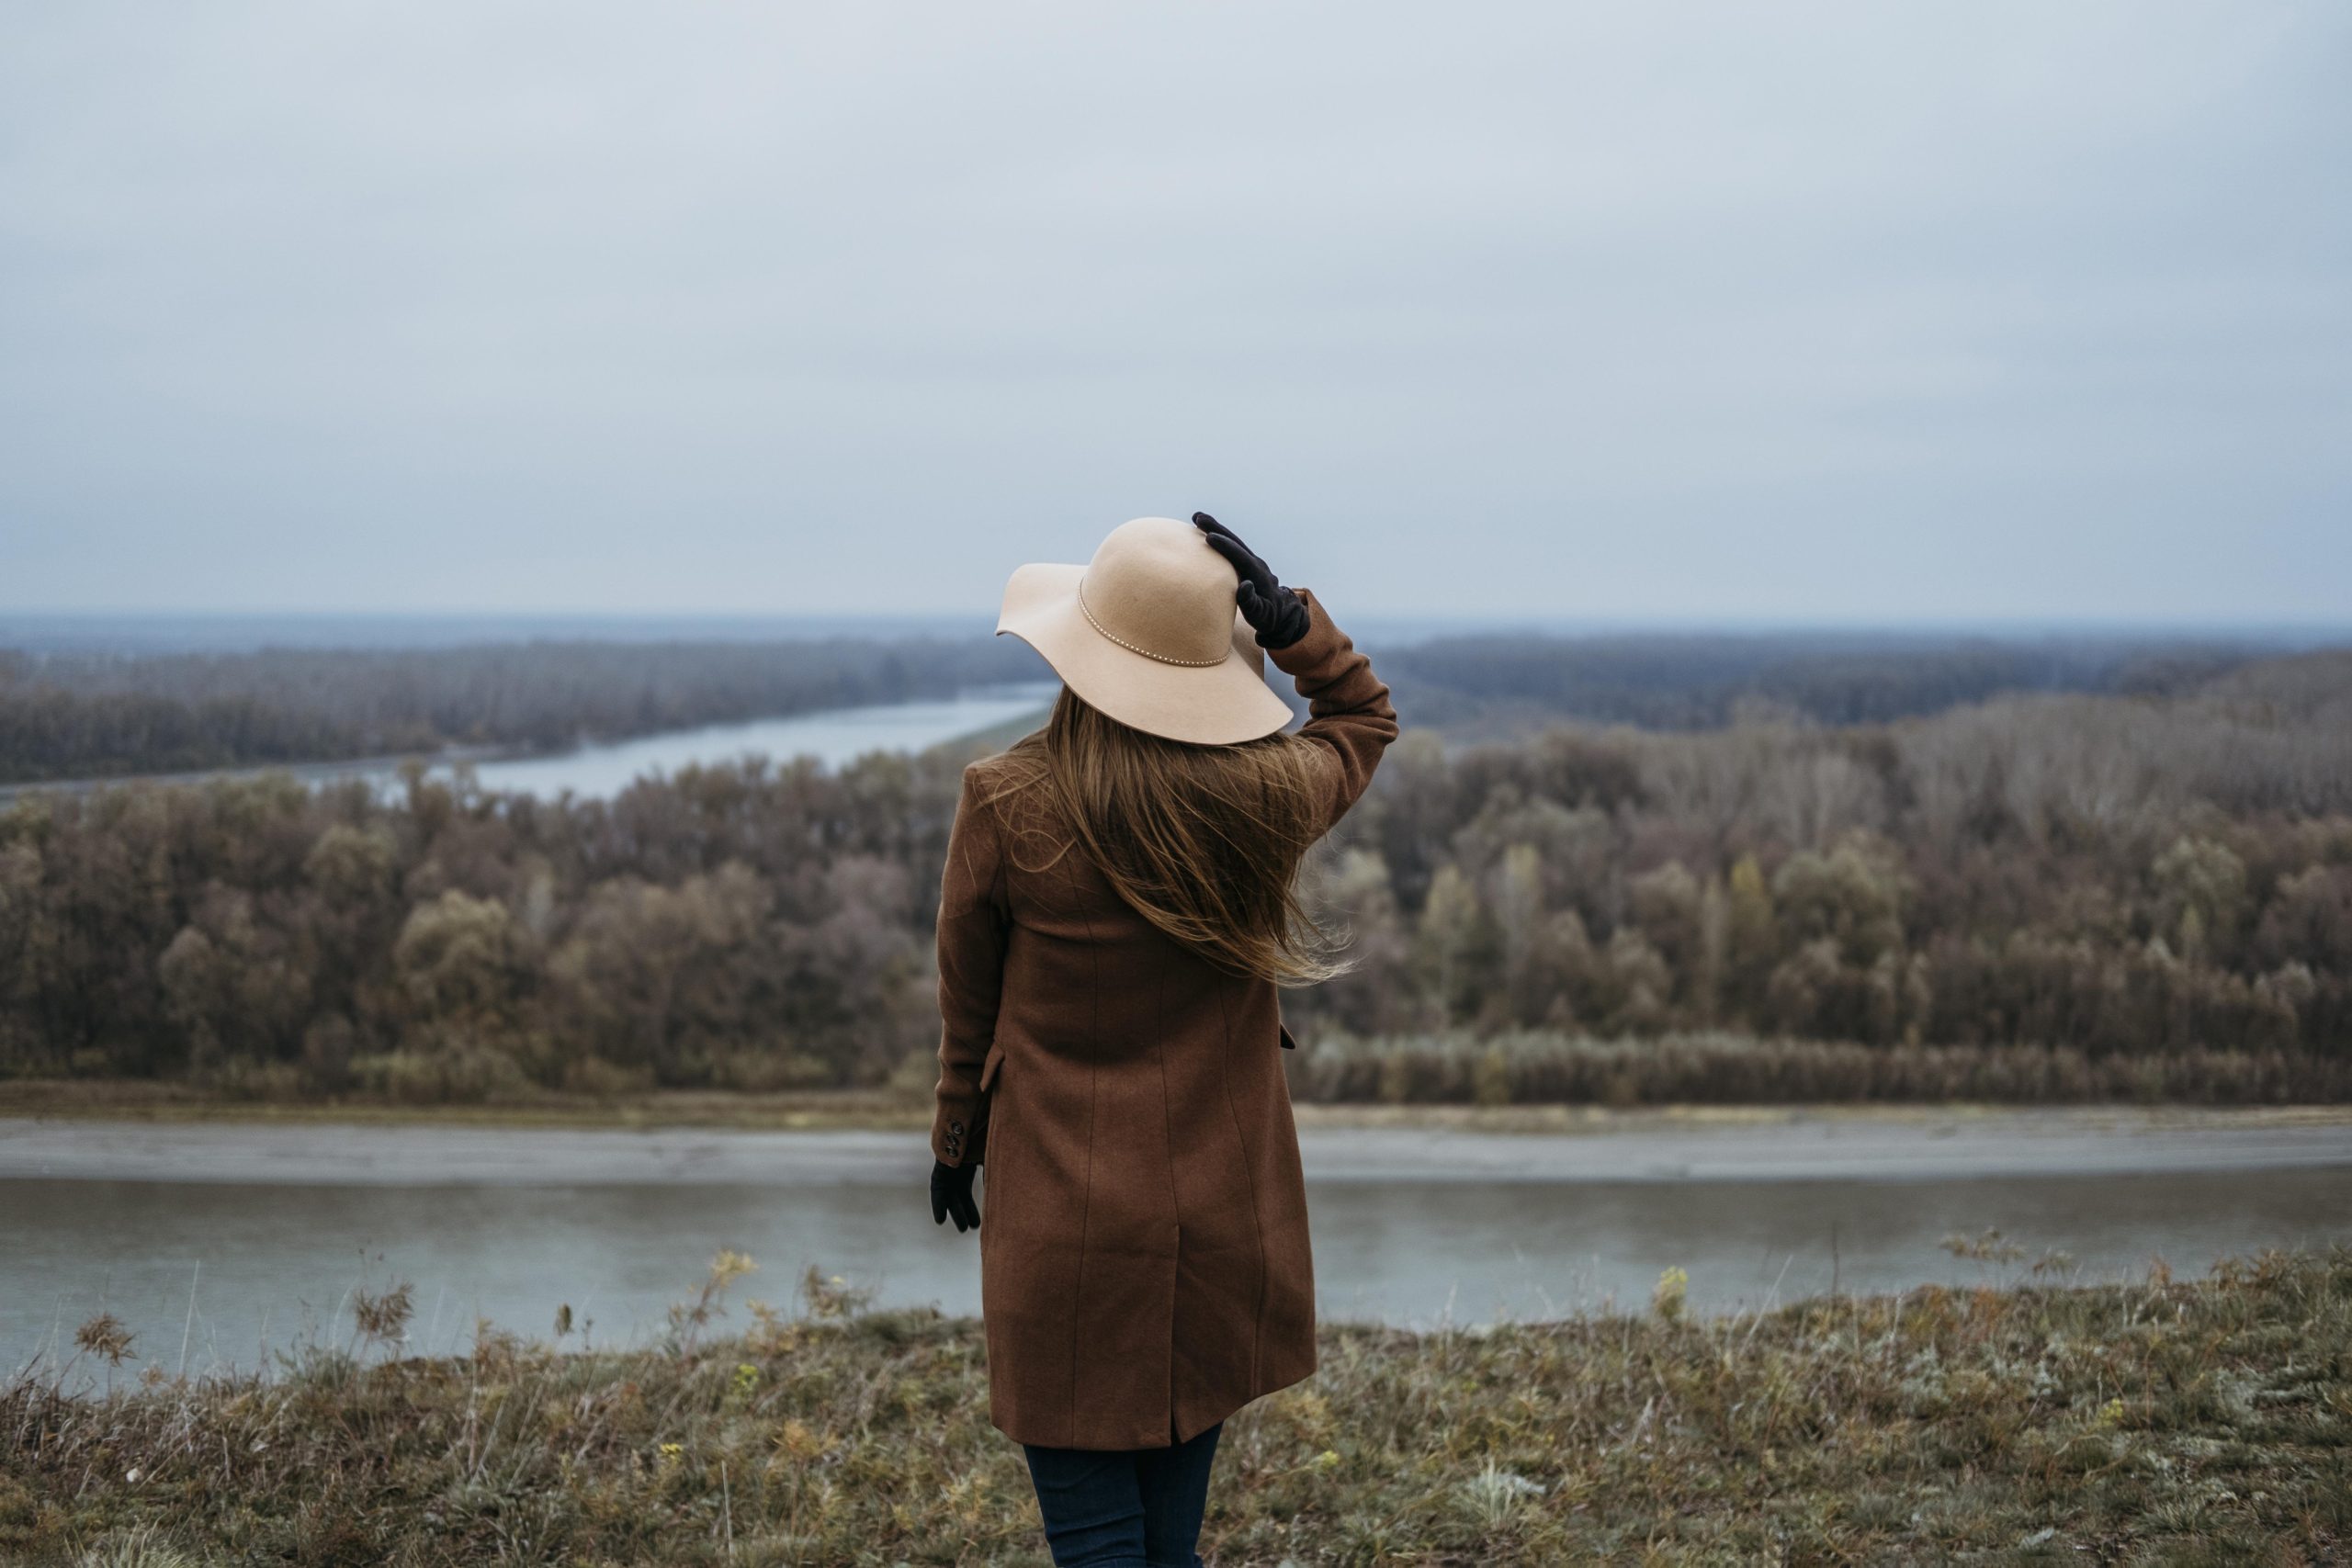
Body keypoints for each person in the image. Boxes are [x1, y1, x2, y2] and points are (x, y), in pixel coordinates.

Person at [925, 513, 1396, 1568]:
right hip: (1220, 1234)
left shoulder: (1003, 803)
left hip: (1064, 1231)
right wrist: (1293, 626)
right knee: (1166, 1550)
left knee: (1097, 1544)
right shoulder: (1265, 799)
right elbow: (1360, 718)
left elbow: (969, 1006)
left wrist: (955, 1143)